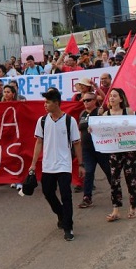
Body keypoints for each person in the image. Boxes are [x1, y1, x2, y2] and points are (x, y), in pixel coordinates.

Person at [28, 88, 84, 241]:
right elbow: (38, 142)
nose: (45, 105)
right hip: (48, 165)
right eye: (44, 102)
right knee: (48, 193)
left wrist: (81, 164)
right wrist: (33, 164)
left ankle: (68, 226)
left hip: (64, 165)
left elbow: (77, 143)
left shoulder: (69, 121)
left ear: (57, 103)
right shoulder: (43, 121)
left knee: (66, 195)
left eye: (48, 102)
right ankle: (61, 213)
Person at [102, 88, 136, 222]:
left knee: (131, 179)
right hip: (114, 151)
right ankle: (116, 209)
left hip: (129, 150)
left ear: (121, 99)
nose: (111, 98)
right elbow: (102, 132)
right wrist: (93, 130)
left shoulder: (128, 112)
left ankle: (133, 207)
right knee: (114, 180)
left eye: (114, 96)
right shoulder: (106, 115)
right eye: (110, 96)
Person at [77, 92, 111, 208]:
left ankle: (116, 190)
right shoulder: (82, 114)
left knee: (108, 170)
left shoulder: (100, 112)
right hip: (87, 149)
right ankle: (87, 197)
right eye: (84, 100)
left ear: (94, 100)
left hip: (100, 148)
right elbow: (80, 130)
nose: (85, 102)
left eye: (88, 100)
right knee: (89, 172)